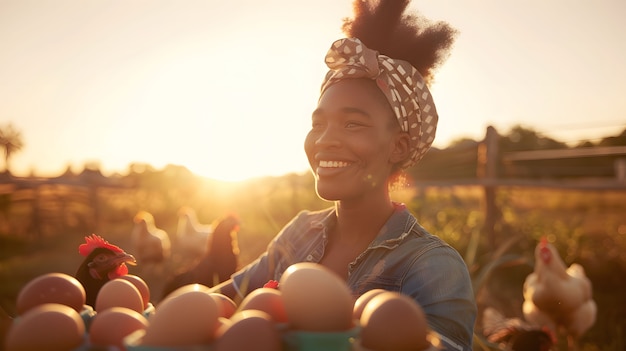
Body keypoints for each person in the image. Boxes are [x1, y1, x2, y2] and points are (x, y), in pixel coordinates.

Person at [210, 1, 476, 349]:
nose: (325, 140)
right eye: (318, 124)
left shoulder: (431, 266)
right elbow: (220, 300)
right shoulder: (299, 233)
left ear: (398, 147)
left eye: (353, 124)